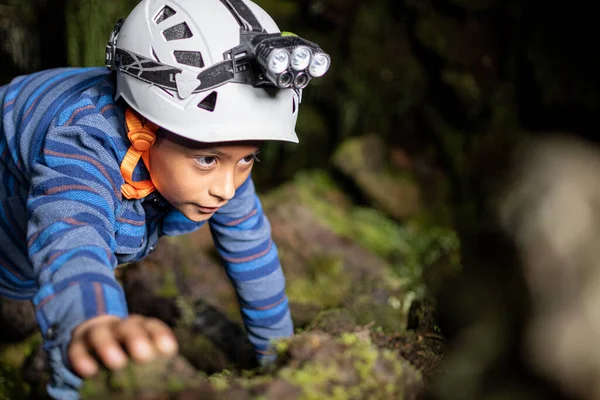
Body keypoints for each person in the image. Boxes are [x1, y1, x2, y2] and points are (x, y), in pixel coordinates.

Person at [0, 0, 330, 398]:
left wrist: (279, 355)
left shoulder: (220, 156)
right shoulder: (83, 144)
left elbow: (251, 249)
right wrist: (95, 320)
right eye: (207, 159)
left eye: (248, 158)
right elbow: (73, 233)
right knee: (46, 316)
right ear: (145, 126)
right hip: (14, 221)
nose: (227, 187)